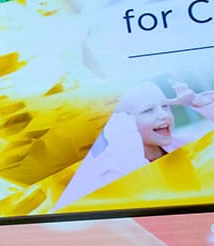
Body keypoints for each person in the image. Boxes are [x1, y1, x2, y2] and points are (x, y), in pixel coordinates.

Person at [53, 80, 214, 210]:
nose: (164, 115)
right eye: (147, 111)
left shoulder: (183, 145)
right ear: (122, 122)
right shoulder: (107, 171)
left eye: (165, 106)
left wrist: (198, 102)